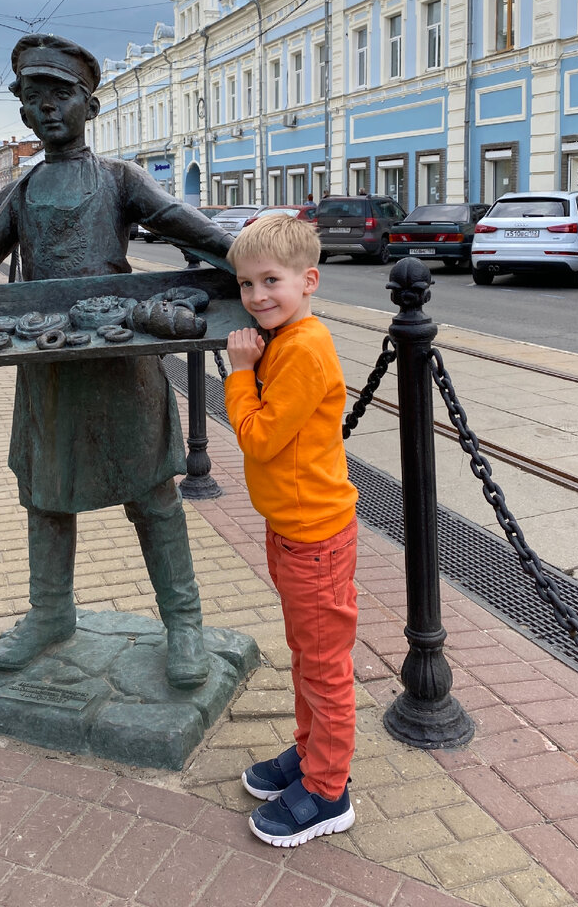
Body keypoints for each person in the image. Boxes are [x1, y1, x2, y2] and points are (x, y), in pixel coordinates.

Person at [0, 34, 232, 689]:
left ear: (89, 107)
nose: (47, 111)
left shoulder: (119, 181)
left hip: (122, 361)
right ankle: (50, 614)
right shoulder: (23, 188)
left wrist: (253, 262)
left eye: (60, 97)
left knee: (152, 492)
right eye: (34, 100)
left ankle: (183, 623)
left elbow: (184, 225)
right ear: (22, 114)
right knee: (46, 495)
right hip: (50, 367)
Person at [224, 214, 359, 848]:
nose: (256, 296)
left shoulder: (303, 346)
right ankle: (309, 755)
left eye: (270, 280)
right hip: (291, 529)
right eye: (246, 284)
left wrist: (237, 372)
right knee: (307, 655)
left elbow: (259, 438)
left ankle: (329, 790)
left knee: (324, 665)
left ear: (308, 281)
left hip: (315, 537)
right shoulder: (284, 337)